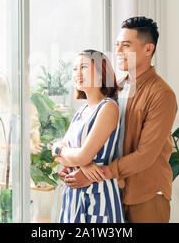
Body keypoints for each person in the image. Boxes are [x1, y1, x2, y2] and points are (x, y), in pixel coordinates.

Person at [60, 17, 178, 223]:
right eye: (117, 45)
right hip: (112, 191)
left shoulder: (162, 94)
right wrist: (81, 164)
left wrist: (93, 174)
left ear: (148, 49)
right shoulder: (116, 89)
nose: (119, 52)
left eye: (126, 45)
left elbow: (146, 154)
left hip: (146, 194)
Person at [52, 49, 125, 223]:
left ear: (101, 73)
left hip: (98, 196)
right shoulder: (82, 110)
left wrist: (63, 153)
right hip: (73, 197)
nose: (77, 73)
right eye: (74, 69)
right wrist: (62, 152)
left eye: (84, 67)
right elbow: (59, 148)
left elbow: (83, 155)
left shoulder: (108, 107)